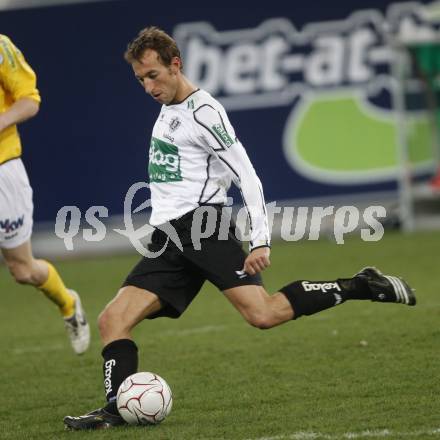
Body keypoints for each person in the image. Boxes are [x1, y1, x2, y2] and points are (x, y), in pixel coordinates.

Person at [64, 27, 416, 430]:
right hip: (170, 238)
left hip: (205, 227)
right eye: (141, 79)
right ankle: (118, 408)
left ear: (175, 65)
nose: (148, 87)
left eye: (154, 75)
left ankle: (358, 285)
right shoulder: (168, 107)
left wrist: (259, 239)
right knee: (113, 320)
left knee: (262, 315)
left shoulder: (205, 112)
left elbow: (247, 176)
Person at [0, 35, 90, 355]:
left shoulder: (0, 47)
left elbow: (29, 100)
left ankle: (68, 302)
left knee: (22, 270)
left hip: (3, 169)